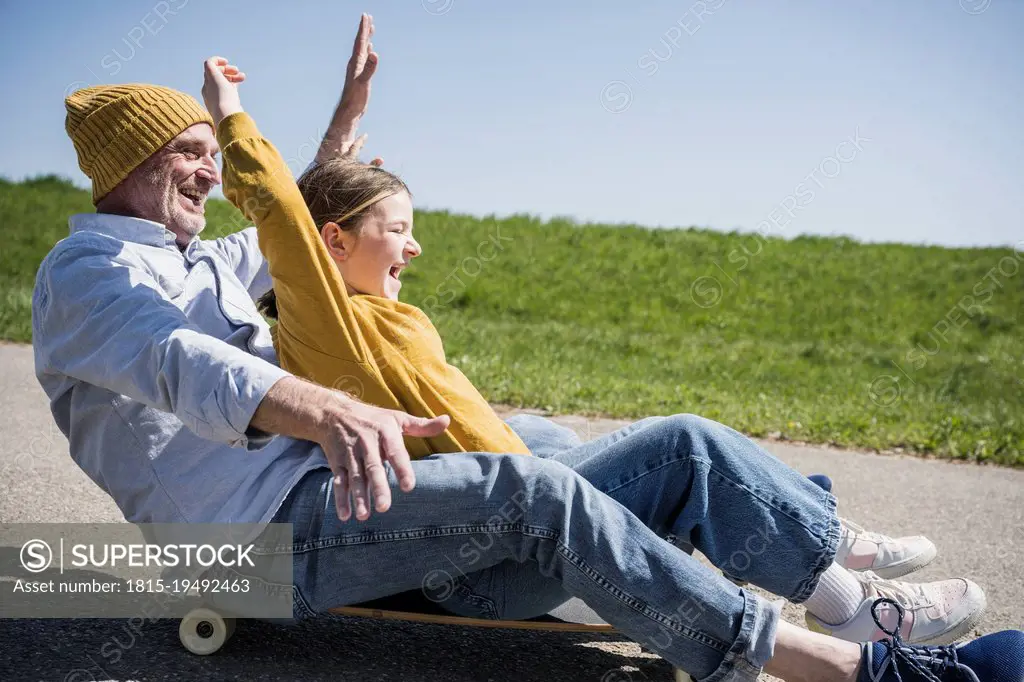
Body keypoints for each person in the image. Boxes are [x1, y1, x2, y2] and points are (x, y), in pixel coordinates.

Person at [32, 15, 1023, 682]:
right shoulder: (87, 279)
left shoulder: (201, 260)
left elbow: (301, 213)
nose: (209, 170)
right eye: (188, 152)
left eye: (213, 150)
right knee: (542, 488)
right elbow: (180, 366)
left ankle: (813, 566)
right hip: (257, 547)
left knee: (566, 438)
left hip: (333, 496)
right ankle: (856, 664)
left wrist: (350, 113)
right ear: (128, 165)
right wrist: (325, 405)